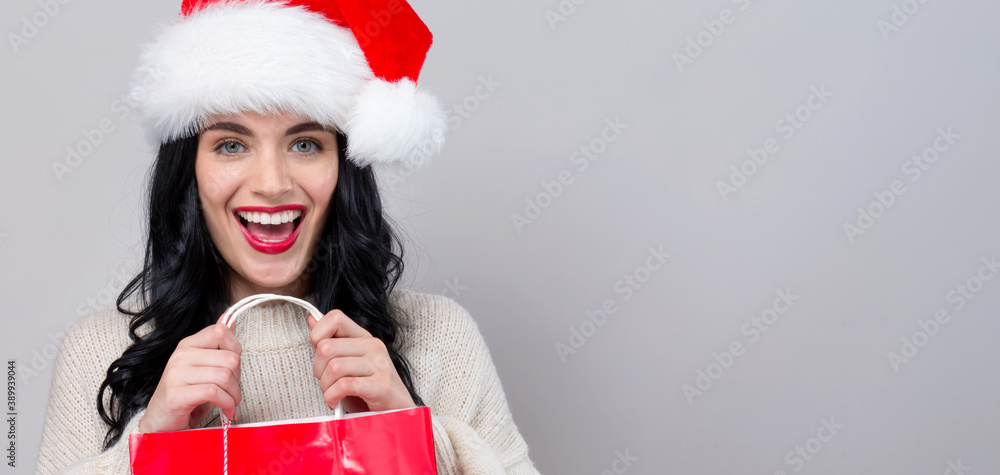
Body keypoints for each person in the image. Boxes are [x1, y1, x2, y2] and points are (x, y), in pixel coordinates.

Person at [34, 0, 539, 473]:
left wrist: (410, 437)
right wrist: (151, 443)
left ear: (344, 166)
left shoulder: (440, 340)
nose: (272, 184)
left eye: (305, 143)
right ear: (188, 171)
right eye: (231, 144)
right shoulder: (99, 352)